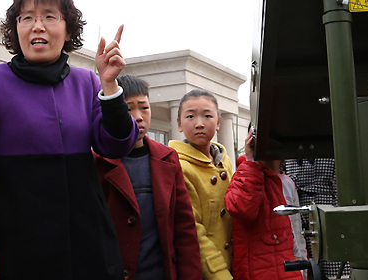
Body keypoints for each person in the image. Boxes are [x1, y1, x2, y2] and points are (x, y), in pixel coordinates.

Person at [0, 0, 138, 280]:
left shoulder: (88, 82)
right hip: (16, 241)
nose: (37, 26)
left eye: (49, 16)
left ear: (68, 30)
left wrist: (109, 85)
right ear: (16, 29)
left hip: (86, 238)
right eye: (26, 17)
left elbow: (116, 146)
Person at [95, 74, 203, 280]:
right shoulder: (99, 162)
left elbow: (184, 229)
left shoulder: (168, 158)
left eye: (144, 107)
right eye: (128, 108)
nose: (138, 116)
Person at [169, 89, 234, 280]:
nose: (199, 124)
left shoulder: (224, 160)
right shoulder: (179, 166)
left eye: (207, 116)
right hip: (207, 269)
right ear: (179, 125)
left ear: (219, 122)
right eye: (190, 116)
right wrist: (219, 273)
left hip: (236, 262)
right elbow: (193, 230)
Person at [225, 126, 304, 280]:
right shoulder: (244, 176)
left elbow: (296, 232)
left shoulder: (288, 182)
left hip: (290, 269)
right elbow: (242, 209)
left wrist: (303, 265)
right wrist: (250, 161)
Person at [284, 159, 348, 278]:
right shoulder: (289, 153)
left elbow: (338, 187)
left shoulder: (329, 149)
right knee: (302, 264)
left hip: (326, 208)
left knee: (332, 263)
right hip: (297, 210)